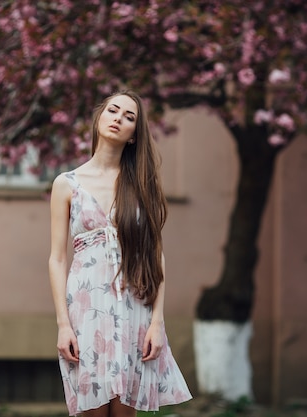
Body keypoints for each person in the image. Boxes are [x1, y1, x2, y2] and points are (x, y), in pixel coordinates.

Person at [48, 90, 192, 417]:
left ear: (133, 136)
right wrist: (63, 325)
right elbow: (57, 258)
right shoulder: (66, 184)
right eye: (113, 111)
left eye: (129, 117)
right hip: (86, 312)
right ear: (99, 118)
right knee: (92, 411)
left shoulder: (141, 185)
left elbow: (156, 255)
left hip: (134, 309)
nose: (119, 119)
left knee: (124, 412)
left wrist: (158, 323)